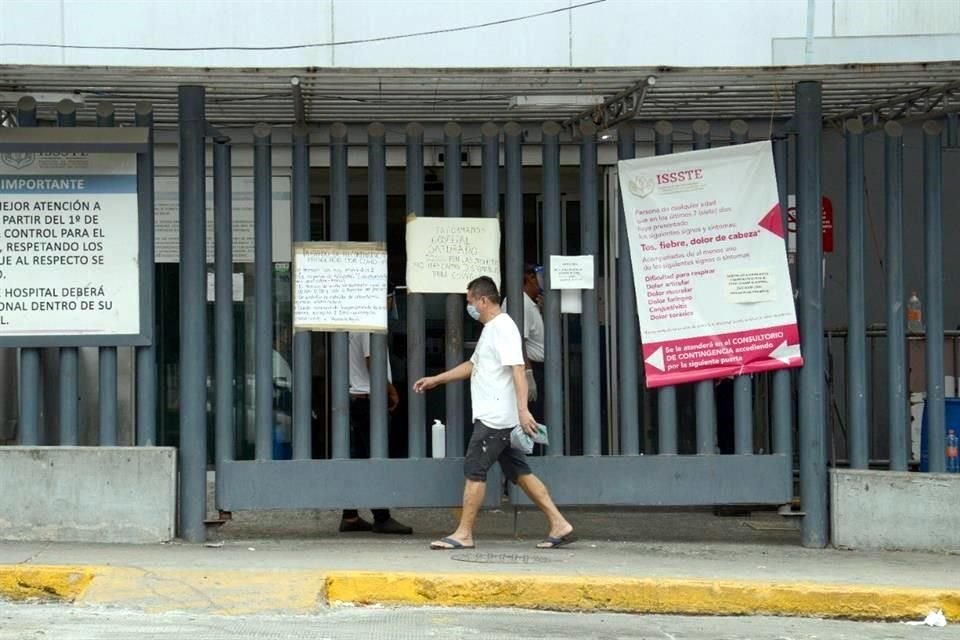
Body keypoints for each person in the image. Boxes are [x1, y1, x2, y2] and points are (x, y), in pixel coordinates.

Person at [413, 276, 574, 550]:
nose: (469, 307)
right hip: (498, 417)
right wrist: (436, 379)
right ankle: (559, 523)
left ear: (484, 300)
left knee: (474, 469)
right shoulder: (492, 329)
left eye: (470, 301)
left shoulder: (503, 328)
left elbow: (518, 369)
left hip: (495, 418)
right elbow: (473, 365)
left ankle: (464, 534)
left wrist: (523, 411)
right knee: (519, 471)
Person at [339, 291, 413, 535]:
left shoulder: (358, 323)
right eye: (390, 298)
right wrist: (391, 391)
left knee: (359, 459)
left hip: (361, 400)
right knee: (376, 458)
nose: (391, 304)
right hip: (368, 400)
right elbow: (373, 362)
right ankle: (381, 517)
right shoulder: (368, 325)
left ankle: (350, 516)